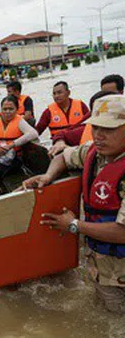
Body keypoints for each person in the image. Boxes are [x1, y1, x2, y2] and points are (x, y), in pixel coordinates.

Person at [22, 94, 125, 314]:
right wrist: (48, 177)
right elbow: (63, 157)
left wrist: (74, 225)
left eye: (108, 129)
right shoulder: (93, 153)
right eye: (96, 128)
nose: (98, 135)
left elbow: (123, 232)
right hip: (102, 270)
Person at [0, 95, 39, 199]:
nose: (7, 112)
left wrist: (12, 145)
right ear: (1, 109)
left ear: (17, 109)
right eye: (5, 109)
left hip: (13, 159)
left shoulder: (19, 121)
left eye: (11, 109)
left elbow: (33, 133)